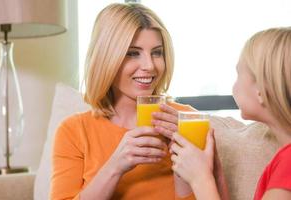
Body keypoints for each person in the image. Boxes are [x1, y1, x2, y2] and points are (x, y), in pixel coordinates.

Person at [50, 3, 199, 200]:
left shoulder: (186, 120)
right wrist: (115, 166)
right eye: (133, 53)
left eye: (157, 52)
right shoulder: (74, 131)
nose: (149, 66)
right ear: (106, 58)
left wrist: (184, 164)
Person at [170, 27, 291, 200]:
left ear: (261, 90)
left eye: (238, 75)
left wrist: (200, 179)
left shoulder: (288, 163)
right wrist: (215, 176)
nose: (233, 86)